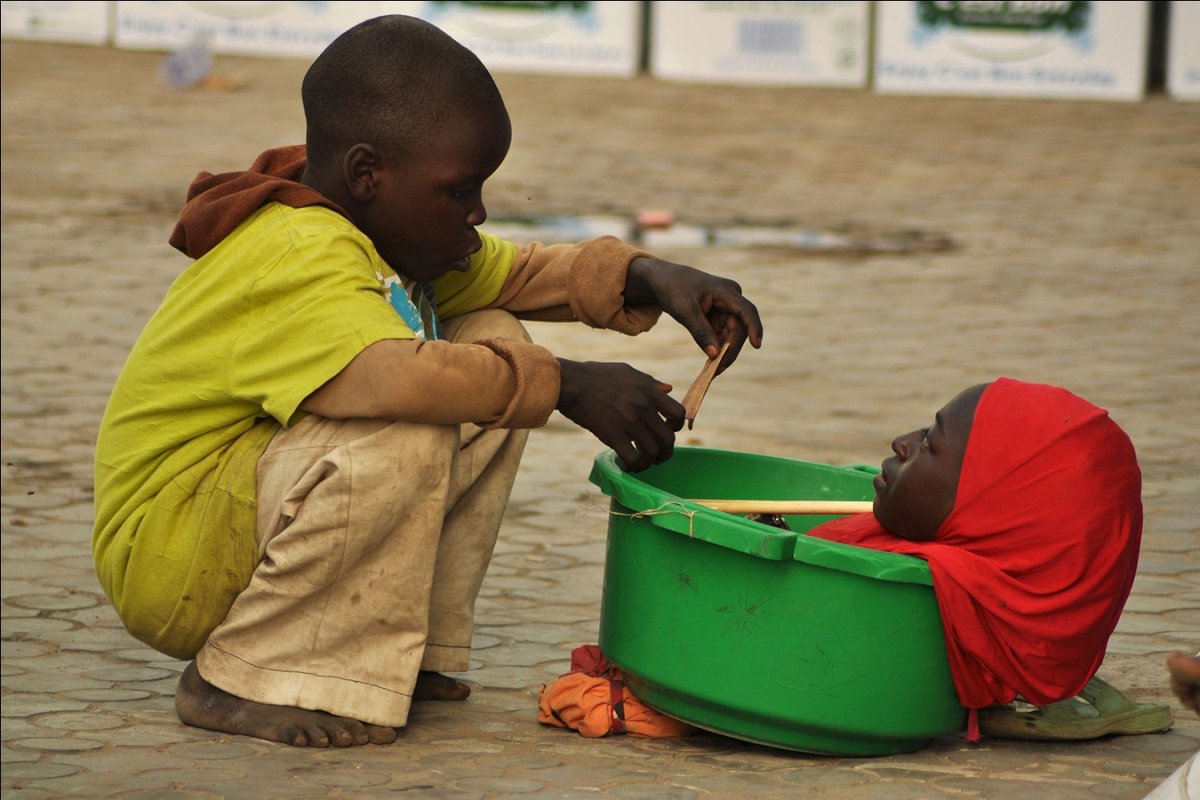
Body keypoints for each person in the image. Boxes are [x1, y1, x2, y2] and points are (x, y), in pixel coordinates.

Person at [91, 14, 762, 748]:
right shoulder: (294, 250)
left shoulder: (381, 226)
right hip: (172, 550)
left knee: (494, 339)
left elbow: (518, 274)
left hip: (234, 508)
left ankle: (392, 650)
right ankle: (238, 678)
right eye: (460, 190)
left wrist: (648, 274)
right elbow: (386, 381)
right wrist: (568, 386)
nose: (477, 211)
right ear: (367, 174)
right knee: (419, 412)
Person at [810, 378, 1172, 741]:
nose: (901, 443)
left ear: (991, 513)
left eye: (928, 444)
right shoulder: (965, 573)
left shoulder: (926, 579)